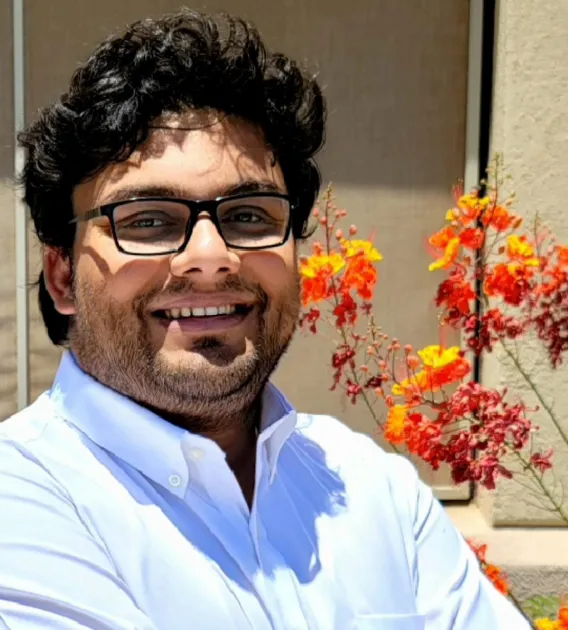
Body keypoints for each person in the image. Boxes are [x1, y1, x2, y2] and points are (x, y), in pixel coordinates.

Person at [0, 9, 529, 630]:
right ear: (62, 276)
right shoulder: (21, 505)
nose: (210, 258)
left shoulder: (372, 487)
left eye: (250, 215)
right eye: (147, 220)